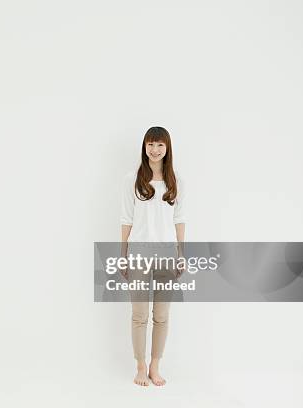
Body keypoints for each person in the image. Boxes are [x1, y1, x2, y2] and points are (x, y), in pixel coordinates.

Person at [120, 127, 186, 386]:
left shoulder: (176, 180)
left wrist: (182, 254)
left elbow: (180, 219)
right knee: (139, 315)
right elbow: (126, 219)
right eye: (150, 144)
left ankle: (155, 366)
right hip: (138, 253)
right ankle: (140, 366)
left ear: (167, 148)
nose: (155, 150)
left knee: (161, 315)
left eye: (160, 145)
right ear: (144, 146)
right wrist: (123, 255)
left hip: (168, 254)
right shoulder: (132, 179)